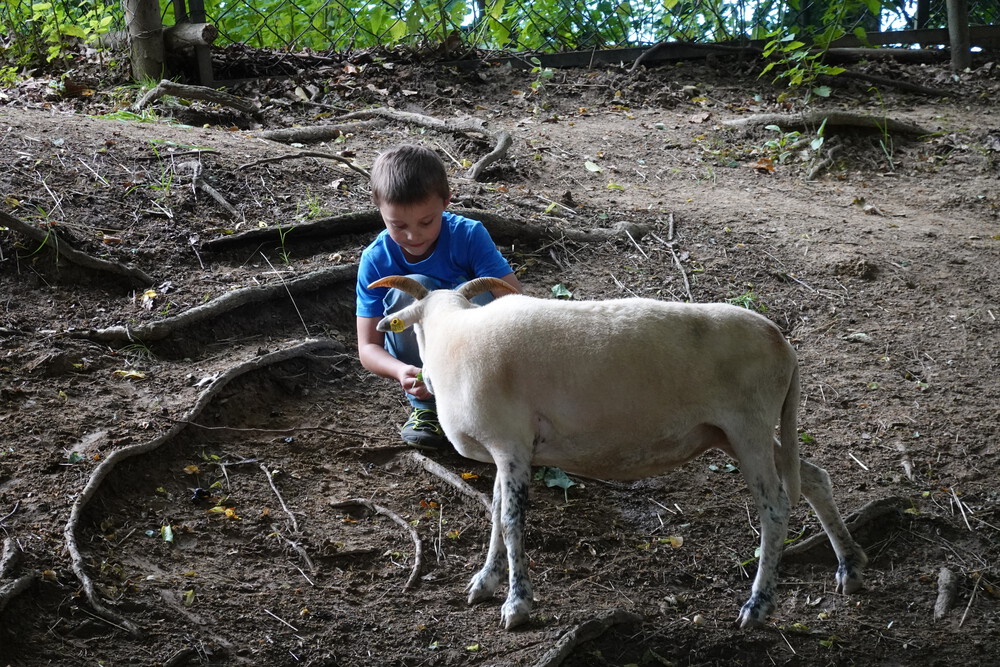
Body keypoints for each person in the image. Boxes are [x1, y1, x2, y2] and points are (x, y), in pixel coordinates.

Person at [355, 144, 522, 448]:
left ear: (446, 202)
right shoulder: (376, 259)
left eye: (426, 222)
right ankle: (428, 409)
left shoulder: (468, 235)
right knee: (412, 286)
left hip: (476, 356)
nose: (413, 235)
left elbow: (513, 301)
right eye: (398, 225)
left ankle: (485, 401)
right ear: (378, 209)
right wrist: (401, 371)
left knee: (469, 292)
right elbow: (368, 347)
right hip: (423, 366)